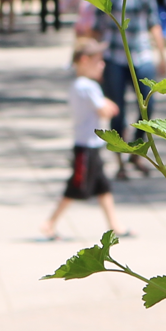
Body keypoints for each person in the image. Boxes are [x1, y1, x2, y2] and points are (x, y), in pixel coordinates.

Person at [42, 43, 128, 240]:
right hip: (86, 146)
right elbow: (104, 110)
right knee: (76, 186)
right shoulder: (88, 86)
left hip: (91, 145)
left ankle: (114, 224)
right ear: (84, 61)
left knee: (103, 186)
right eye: (98, 62)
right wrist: (110, 105)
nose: (102, 66)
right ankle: (50, 223)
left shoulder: (79, 85)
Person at [97, 0, 166, 179]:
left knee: (148, 105)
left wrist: (162, 55)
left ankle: (137, 150)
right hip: (114, 56)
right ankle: (120, 160)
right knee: (116, 109)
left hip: (142, 54)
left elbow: (154, 22)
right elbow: (96, 26)